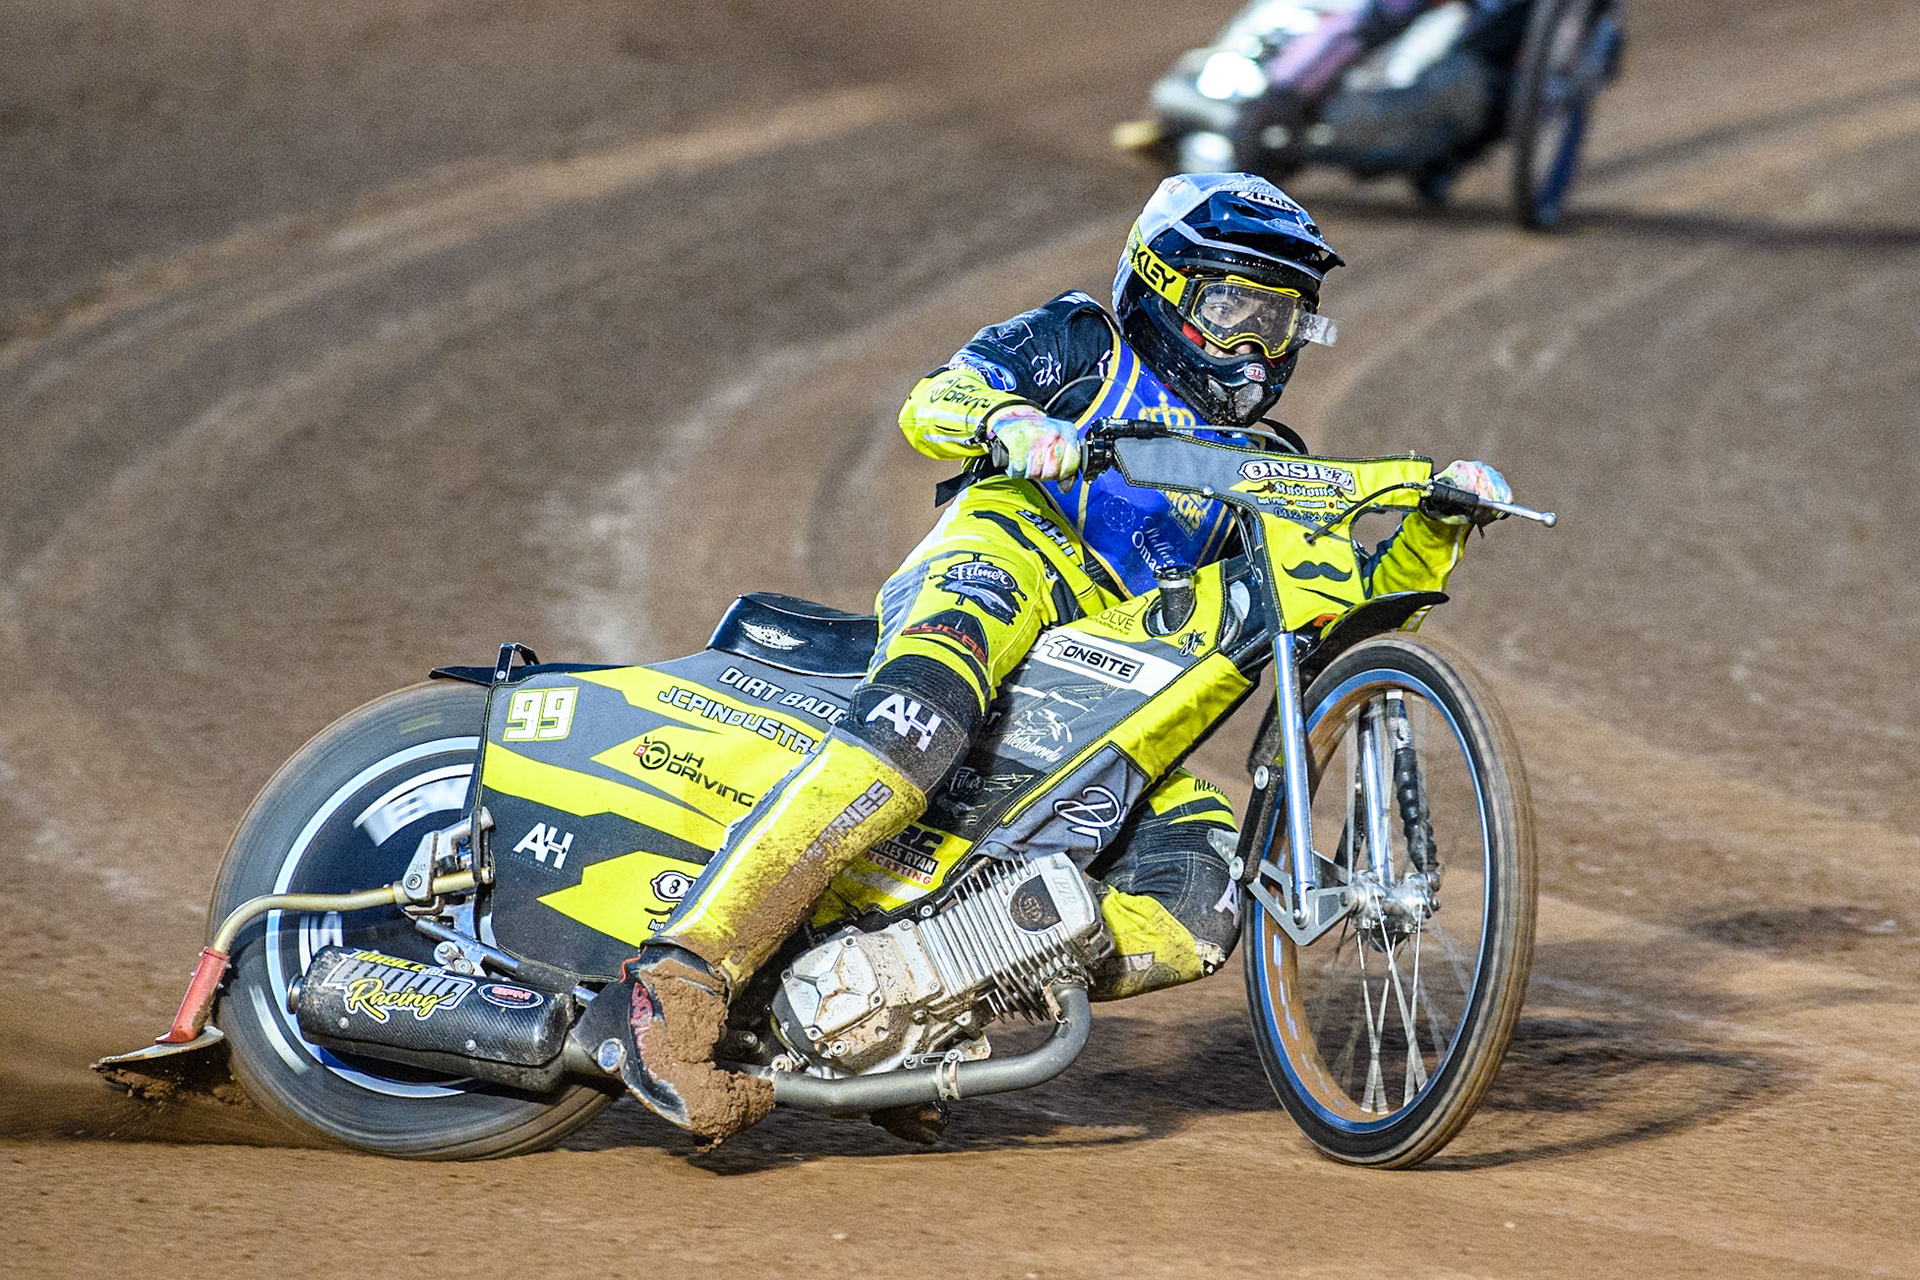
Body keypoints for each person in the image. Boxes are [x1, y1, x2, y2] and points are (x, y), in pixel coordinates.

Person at [580, 172, 1512, 1141]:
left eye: (1278, 323)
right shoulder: (1080, 341)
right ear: (1163, 288)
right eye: (1232, 308)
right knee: (918, 723)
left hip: (1106, 695)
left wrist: (1434, 532)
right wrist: (1007, 422)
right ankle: (677, 981)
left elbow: (1340, 645)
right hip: (1001, 568)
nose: (1250, 347)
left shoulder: (1268, 461)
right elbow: (934, 400)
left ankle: (913, 1001)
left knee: (1203, 899)